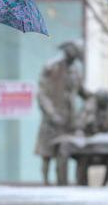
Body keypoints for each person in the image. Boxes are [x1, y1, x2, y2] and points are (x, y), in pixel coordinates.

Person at [35, 41, 86, 185]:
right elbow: (41, 93)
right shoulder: (52, 66)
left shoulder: (75, 69)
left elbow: (81, 90)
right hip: (52, 116)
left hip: (68, 116)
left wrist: (96, 96)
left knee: (64, 149)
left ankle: (63, 182)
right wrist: (51, 113)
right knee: (47, 151)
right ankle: (45, 181)